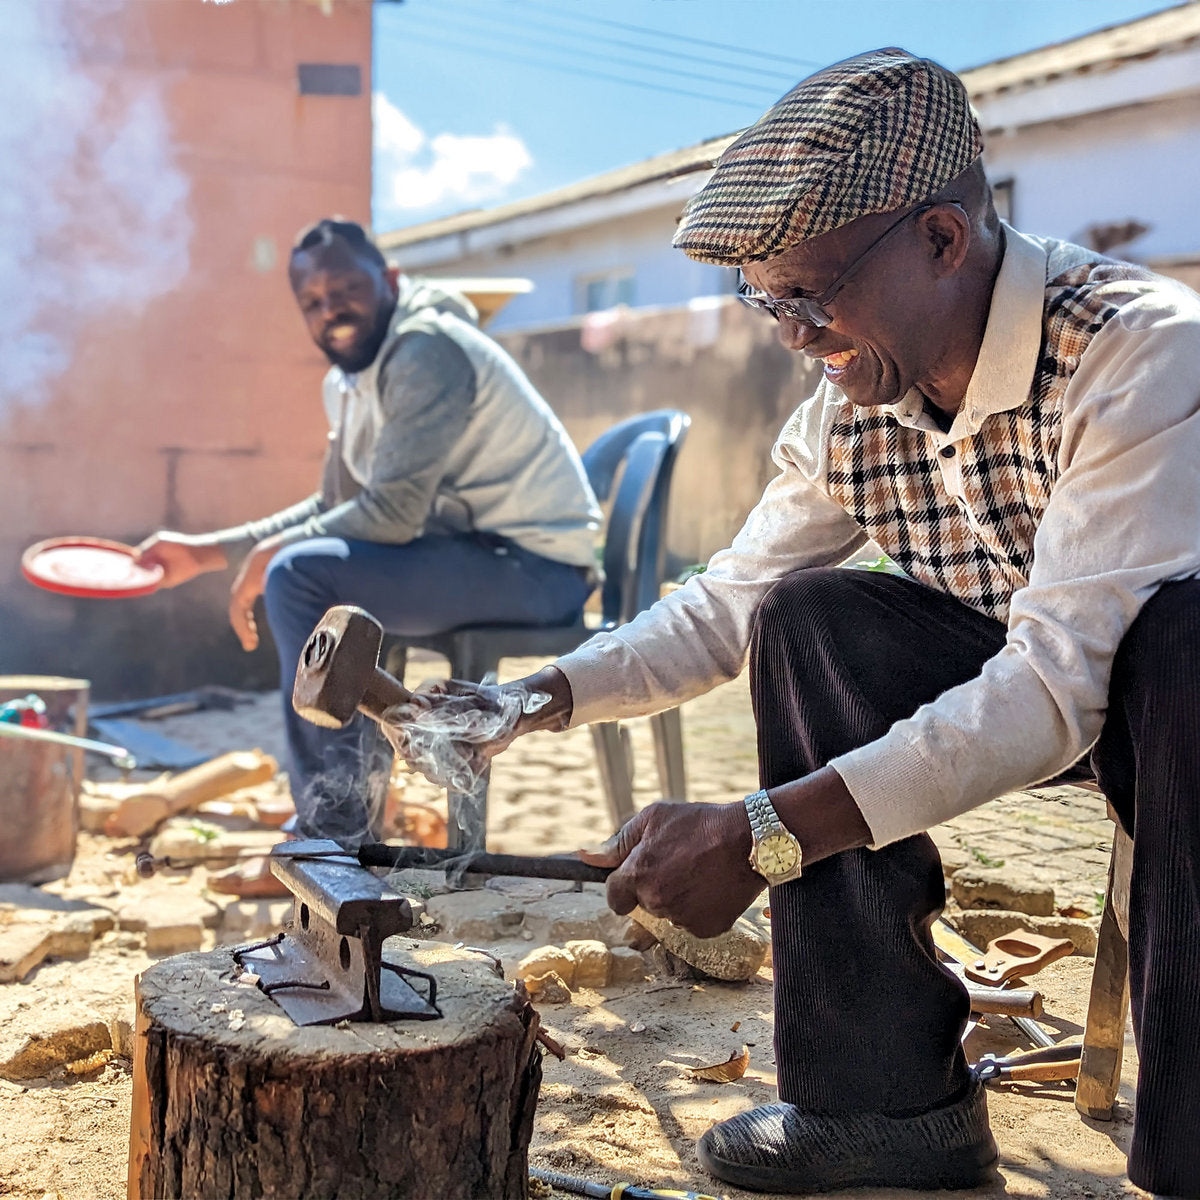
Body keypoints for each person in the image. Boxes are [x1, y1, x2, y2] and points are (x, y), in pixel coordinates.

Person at [408, 50, 1200, 1198]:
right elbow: (724, 606)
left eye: (810, 293)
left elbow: (1049, 694)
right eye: (766, 297)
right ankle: (881, 1106)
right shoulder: (854, 407)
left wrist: (763, 832)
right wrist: (528, 699)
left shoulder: (1139, 352)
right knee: (810, 616)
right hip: (1080, 692)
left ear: (943, 238)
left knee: (1185, 649)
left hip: (1169, 704)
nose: (790, 331)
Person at [138, 217, 601, 852]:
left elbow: (389, 514)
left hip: (535, 571)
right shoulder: (350, 381)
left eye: (345, 288)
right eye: (313, 301)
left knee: (300, 576)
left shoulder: (425, 350)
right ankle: (351, 822)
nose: (332, 310)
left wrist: (273, 556)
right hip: (471, 558)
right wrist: (208, 550)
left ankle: (332, 837)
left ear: (388, 280)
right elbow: (338, 506)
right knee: (305, 567)